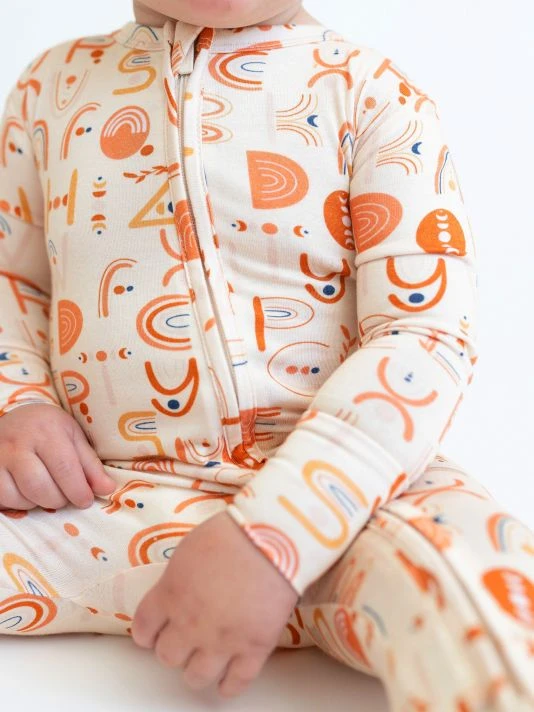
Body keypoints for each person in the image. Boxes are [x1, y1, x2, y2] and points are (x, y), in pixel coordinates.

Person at [0, 0, 533, 708]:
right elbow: (14, 281)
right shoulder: (49, 88)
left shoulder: (372, 93)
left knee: (481, 583)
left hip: (350, 501)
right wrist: (19, 401)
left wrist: (275, 533)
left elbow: (424, 336)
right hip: (102, 499)